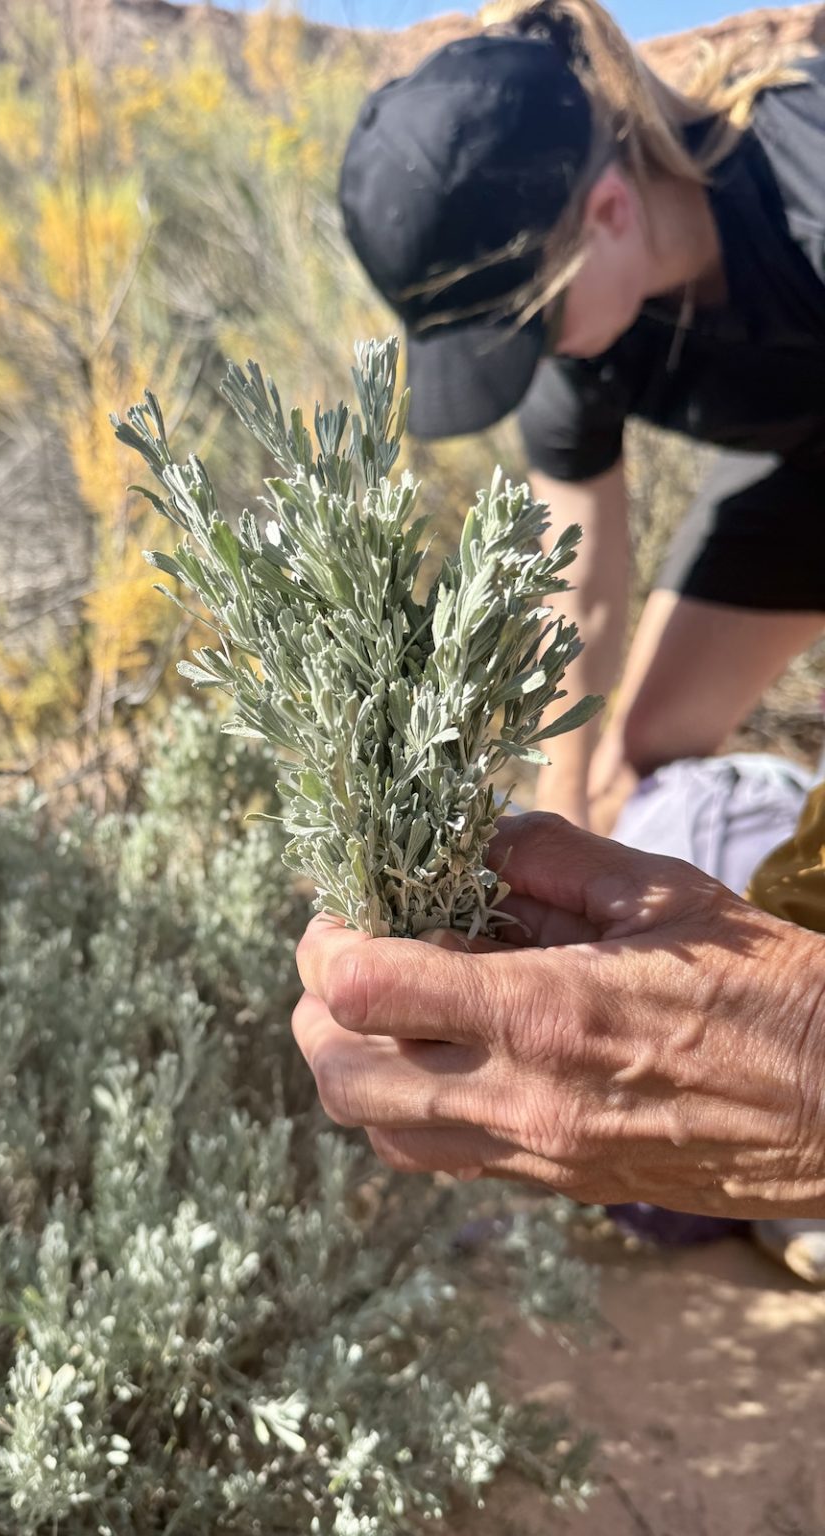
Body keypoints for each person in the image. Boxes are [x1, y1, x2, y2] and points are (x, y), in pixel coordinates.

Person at [296, 0, 825, 1260]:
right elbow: (575, 591)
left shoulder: (809, 178)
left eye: (526, 327)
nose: (530, 364)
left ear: (611, 211)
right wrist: (560, 845)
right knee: (641, 747)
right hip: (808, 471)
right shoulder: (583, 342)